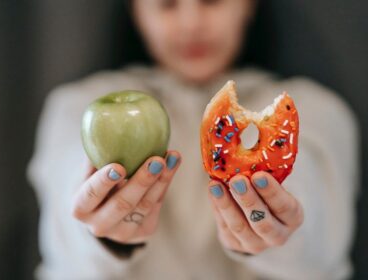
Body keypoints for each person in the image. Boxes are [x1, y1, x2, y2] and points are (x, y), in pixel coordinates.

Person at [26, 0, 360, 279]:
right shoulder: (74, 106)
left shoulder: (317, 109)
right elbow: (63, 226)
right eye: (166, 4)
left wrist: (279, 230)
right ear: (135, 11)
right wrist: (100, 232)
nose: (191, 23)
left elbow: (319, 226)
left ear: (248, 5)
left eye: (211, 0)